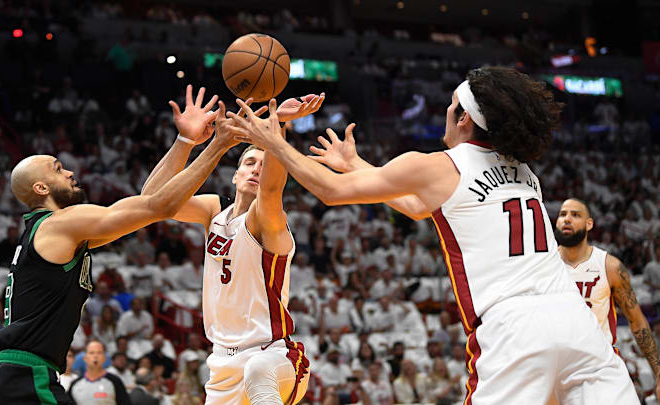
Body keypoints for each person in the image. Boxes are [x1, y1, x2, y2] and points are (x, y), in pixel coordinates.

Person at [230, 67, 639, 403]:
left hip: (513, 329)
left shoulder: (438, 164)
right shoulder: (524, 171)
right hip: (576, 321)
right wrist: (356, 163)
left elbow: (331, 192)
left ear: (463, 117)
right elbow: (416, 205)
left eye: (450, 107)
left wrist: (275, 142)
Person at [0, 85, 236, 405]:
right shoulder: (61, 223)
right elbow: (158, 207)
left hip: (3, 377)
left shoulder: (60, 233)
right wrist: (217, 147)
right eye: (57, 168)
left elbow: (149, 203)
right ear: (41, 188)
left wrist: (185, 142)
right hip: (23, 378)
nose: (69, 172)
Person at [141, 94, 323, 404]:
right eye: (250, 162)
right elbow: (152, 200)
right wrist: (186, 141)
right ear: (235, 175)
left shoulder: (266, 219)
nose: (256, 169)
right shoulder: (213, 211)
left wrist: (278, 127)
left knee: (257, 371)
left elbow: (270, 189)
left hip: (273, 355)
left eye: (265, 164)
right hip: (222, 363)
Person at [555, 198, 660, 399]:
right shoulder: (543, 264)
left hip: (600, 369)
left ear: (589, 224)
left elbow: (637, 322)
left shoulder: (609, 266)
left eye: (575, 215)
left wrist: (658, 373)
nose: (567, 219)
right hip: (556, 369)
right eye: (562, 214)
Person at [68, 340, 131, 405]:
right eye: (91, 353)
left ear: (104, 358)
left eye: (99, 352)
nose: (95, 356)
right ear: (85, 358)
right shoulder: (75, 384)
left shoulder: (115, 381)